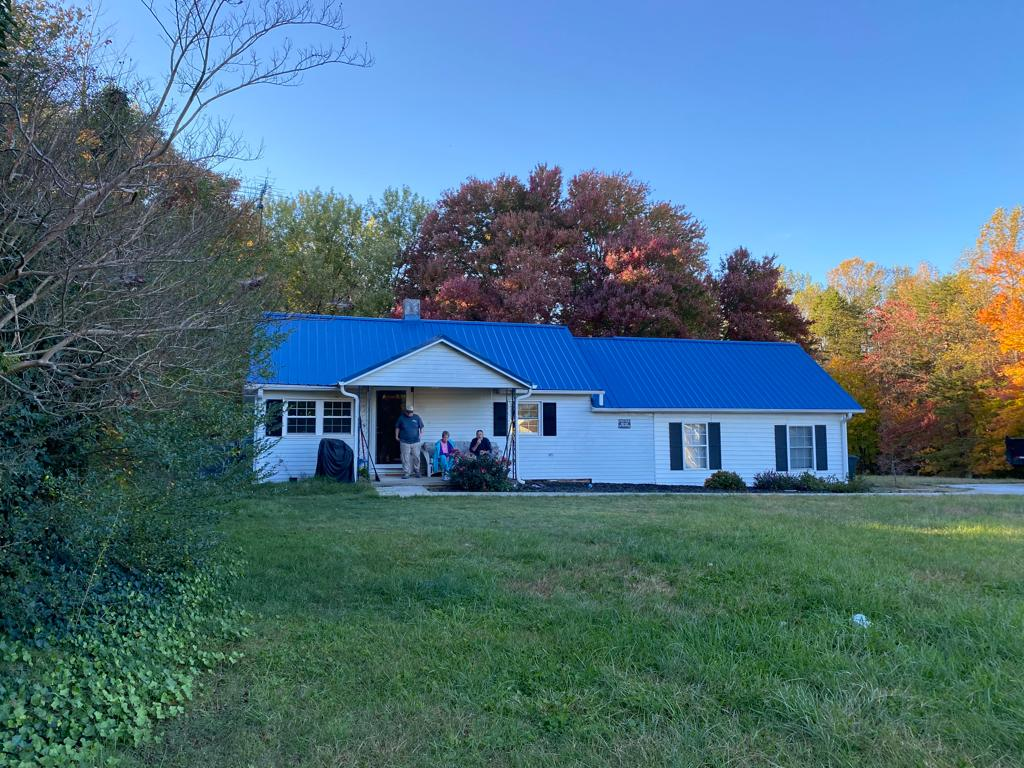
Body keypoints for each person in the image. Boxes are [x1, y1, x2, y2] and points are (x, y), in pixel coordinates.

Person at [395, 405, 424, 478]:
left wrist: (420, 435)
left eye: (411, 412)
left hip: (415, 441)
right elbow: (397, 427)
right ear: (406, 411)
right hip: (404, 441)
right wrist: (396, 436)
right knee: (405, 457)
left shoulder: (417, 417)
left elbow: (421, 427)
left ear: (412, 411)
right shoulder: (401, 418)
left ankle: (417, 471)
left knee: (417, 457)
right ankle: (407, 472)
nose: (409, 413)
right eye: (408, 412)